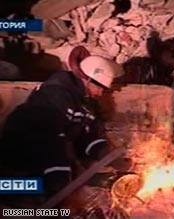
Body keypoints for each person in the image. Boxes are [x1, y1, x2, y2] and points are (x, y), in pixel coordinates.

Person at [0, 46, 125, 202]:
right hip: (20, 154)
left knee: (69, 187)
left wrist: (104, 152)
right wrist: (59, 173)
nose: (101, 93)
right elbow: (48, 136)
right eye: (100, 87)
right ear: (87, 79)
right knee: (29, 191)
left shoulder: (86, 103)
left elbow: (86, 135)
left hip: (49, 155)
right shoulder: (56, 94)